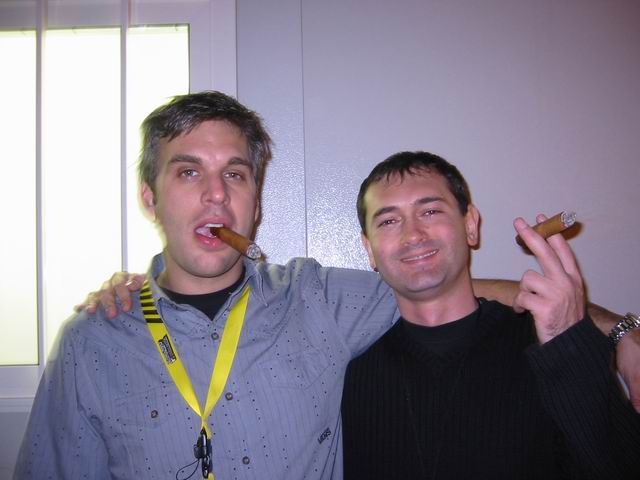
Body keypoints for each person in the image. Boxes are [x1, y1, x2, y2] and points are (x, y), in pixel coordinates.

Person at [30, 92, 638, 480]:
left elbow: (442, 286)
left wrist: (619, 330)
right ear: (149, 197)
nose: (215, 195)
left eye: (235, 175)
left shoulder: (316, 299)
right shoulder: (92, 341)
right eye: (188, 173)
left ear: (256, 202)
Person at [341, 151, 640, 479]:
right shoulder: (349, 371)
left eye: (430, 211)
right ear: (369, 249)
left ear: (470, 225)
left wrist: (571, 345)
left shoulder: (550, 345)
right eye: (388, 221)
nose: (412, 235)